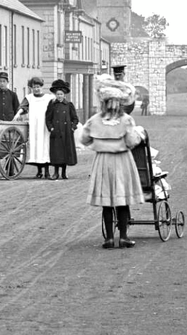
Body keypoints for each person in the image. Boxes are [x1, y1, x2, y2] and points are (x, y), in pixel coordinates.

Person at [80, 78, 145, 249]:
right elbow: (132, 141)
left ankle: (108, 238)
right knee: (122, 200)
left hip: (103, 160)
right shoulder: (126, 120)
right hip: (122, 160)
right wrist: (139, 135)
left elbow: (84, 138)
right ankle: (123, 237)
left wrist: (100, 143)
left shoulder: (94, 120)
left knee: (106, 202)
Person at [17, 77, 54, 179]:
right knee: (36, 147)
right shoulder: (29, 98)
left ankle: (47, 171)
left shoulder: (48, 98)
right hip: (34, 126)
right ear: (31, 88)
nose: (36, 89)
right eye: (34, 87)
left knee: (45, 146)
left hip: (45, 126)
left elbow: (54, 109)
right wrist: (18, 114)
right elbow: (23, 107)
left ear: (41, 87)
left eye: (38, 87)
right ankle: (39, 171)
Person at [45, 80, 79, 181]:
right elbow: (48, 119)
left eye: (61, 94)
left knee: (65, 153)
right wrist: (51, 128)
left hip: (66, 133)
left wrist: (72, 127)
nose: (59, 96)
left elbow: (75, 118)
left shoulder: (69, 105)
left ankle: (64, 172)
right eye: (58, 94)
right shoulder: (52, 105)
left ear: (64, 95)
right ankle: (55, 173)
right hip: (56, 133)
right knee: (56, 153)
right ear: (55, 95)